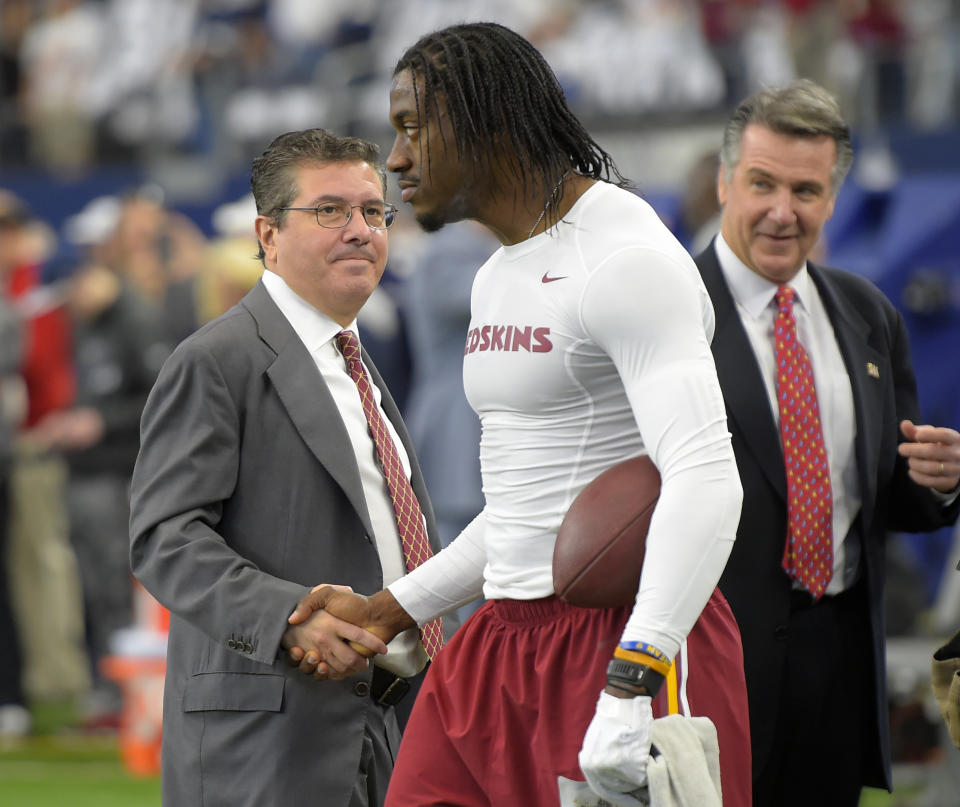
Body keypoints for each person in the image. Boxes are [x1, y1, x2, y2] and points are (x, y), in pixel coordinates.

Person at [287, 22, 750, 807]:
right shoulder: (500, 271)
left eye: (411, 129)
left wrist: (636, 676)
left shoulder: (626, 259)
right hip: (501, 641)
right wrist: (389, 607)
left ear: (486, 122)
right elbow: (524, 514)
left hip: (625, 642)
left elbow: (708, 479)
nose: (394, 159)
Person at [128, 128, 443, 807]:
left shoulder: (353, 358)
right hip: (267, 740)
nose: (360, 229)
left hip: (386, 720)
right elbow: (164, 536)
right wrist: (286, 617)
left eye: (373, 211)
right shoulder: (216, 359)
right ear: (267, 235)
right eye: (330, 210)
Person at [692, 79, 960, 807]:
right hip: (710, 669)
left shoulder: (869, 314)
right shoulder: (674, 317)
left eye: (806, 190)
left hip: (838, 665)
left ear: (834, 200)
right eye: (762, 184)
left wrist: (939, 481)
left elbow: (893, 493)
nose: (784, 211)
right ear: (724, 181)